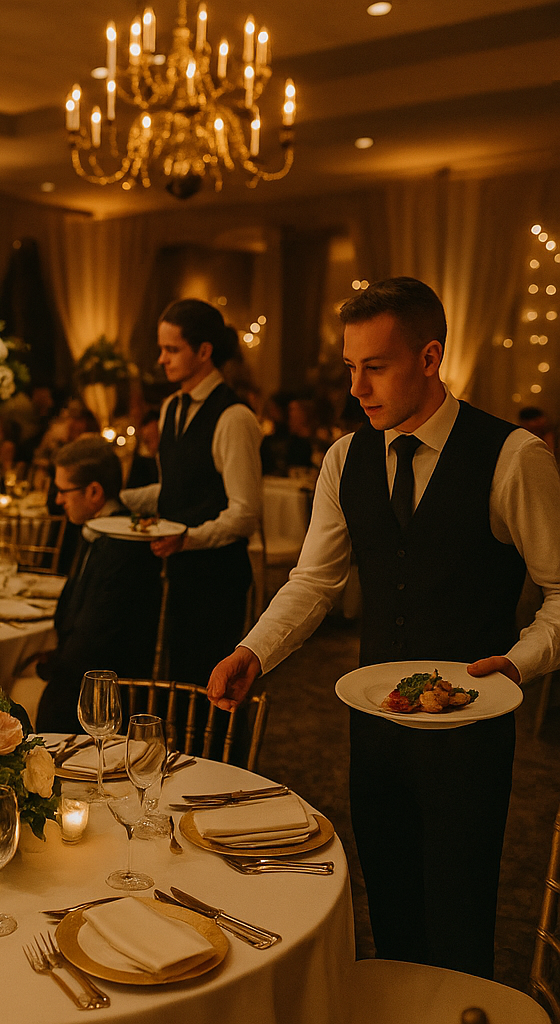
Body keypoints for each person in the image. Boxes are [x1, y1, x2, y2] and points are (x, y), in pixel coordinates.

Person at [208, 277, 560, 977]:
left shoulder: (513, 456)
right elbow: (315, 581)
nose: (357, 388)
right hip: (374, 723)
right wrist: (254, 650)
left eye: (376, 366)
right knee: (389, 909)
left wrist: (521, 660)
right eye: (350, 367)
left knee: (459, 919)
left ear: (429, 358)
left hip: (469, 732)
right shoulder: (346, 458)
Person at [122, 299, 261, 687]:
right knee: (176, 678)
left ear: (203, 351)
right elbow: (177, 488)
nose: (161, 359)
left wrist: (189, 539)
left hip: (218, 578)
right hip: (178, 571)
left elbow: (245, 513)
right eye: (161, 349)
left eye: (172, 349)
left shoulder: (234, 417)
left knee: (209, 685)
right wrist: (121, 500)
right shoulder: (170, 407)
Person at [31, 436, 161, 733]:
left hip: (102, 697)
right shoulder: (99, 529)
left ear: (93, 492)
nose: (58, 500)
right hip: (82, 676)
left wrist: (49, 667)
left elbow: (94, 637)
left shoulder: (121, 545)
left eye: (63, 491)